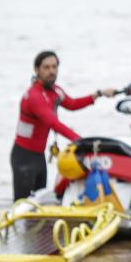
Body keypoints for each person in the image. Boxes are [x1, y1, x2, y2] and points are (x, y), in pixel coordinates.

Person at [12, 51, 116, 201]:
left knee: (40, 201)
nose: (51, 71)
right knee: (21, 206)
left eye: (54, 67)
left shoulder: (55, 91)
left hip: (39, 157)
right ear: (36, 69)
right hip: (24, 157)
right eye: (46, 67)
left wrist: (98, 94)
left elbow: (72, 104)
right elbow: (53, 123)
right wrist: (81, 141)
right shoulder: (34, 96)